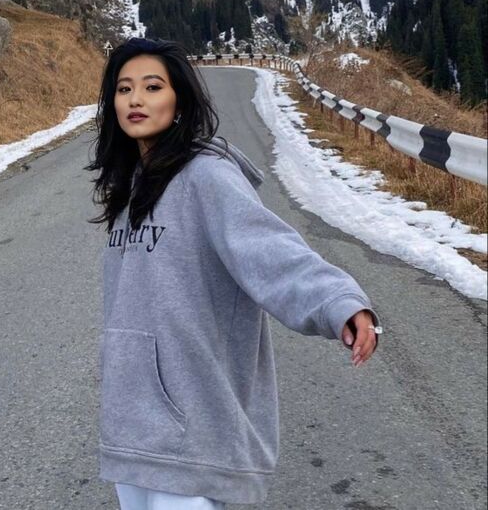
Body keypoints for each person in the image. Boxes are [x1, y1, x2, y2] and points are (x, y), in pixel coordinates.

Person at [85, 37, 382, 509]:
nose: (135, 99)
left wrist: (336, 302)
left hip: (192, 426)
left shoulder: (207, 176)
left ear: (179, 101)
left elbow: (270, 249)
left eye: (152, 87)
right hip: (134, 426)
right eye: (124, 89)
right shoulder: (130, 189)